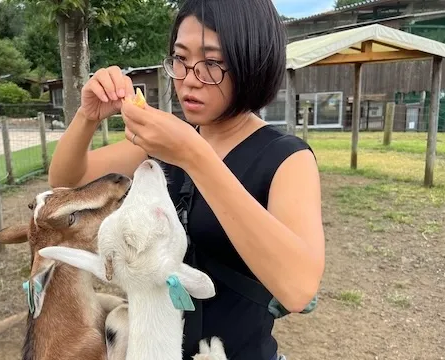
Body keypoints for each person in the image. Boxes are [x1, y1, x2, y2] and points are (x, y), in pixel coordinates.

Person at [47, 0, 326, 359]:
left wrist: (194, 155)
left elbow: (299, 288)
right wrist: (87, 117)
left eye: (211, 63)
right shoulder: (166, 142)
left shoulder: (286, 158)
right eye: (180, 59)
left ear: (252, 62)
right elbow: (68, 181)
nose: (191, 79)